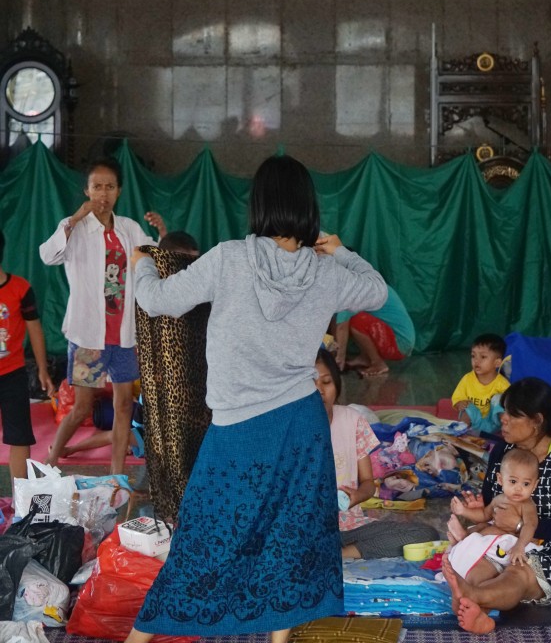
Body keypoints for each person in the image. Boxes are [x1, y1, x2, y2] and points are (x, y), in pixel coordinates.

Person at [123, 154, 388, 643]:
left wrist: (140, 267)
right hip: (299, 424)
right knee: (288, 539)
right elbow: (377, 292)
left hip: (237, 428)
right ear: (308, 207)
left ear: (259, 204)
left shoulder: (229, 258)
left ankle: (141, 636)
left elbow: (158, 300)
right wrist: (342, 250)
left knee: (202, 541)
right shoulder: (325, 271)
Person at [441, 377, 551, 634]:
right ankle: (477, 607)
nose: (503, 419)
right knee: (480, 567)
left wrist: (521, 526)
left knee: (517, 573)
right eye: (504, 411)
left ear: (537, 421)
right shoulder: (502, 452)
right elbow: (492, 505)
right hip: (502, 541)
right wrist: (476, 518)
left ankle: (470, 597)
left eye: (512, 414)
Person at [39, 156, 166, 474]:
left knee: (124, 405)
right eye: (97, 186)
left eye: (110, 187)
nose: (103, 193)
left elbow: (155, 258)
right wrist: (73, 220)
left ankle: (116, 475)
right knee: (82, 407)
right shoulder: (76, 228)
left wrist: (162, 232)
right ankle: (52, 459)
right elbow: (48, 255)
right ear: (87, 190)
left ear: (119, 191)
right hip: (89, 336)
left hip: (123, 336)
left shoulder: (129, 228)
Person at [315, 347, 439, 559]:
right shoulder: (288, 429)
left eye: (326, 382)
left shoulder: (351, 421)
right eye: (311, 384)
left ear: (336, 383)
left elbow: (367, 483)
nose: (320, 391)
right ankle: (323, 553)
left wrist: (356, 496)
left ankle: (340, 554)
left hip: (348, 528)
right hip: (303, 531)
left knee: (426, 534)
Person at [135, 229, 211, 521]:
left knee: (197, 452)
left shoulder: (203, 294)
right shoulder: (153, 289)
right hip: (162, 392)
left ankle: (193, 513)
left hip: (202, 390)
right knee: (166, 451)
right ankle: (171, 513)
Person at [0, 229, 55, 483]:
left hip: (13, 374)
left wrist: (43, 369)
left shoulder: (20, 288)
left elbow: (34, 329)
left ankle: (20, 501)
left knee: (19, 435)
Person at [446, 448, 539, 581]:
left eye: (526, 484)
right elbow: (485, 514)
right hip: (498, 534)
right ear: (500, 479)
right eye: (513, 481)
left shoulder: (527, 504)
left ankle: (464, 541)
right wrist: (464, 511)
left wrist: (520, 546)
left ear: (534, 485)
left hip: (514, 539)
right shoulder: (499, 499)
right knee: (481, 525)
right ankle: (465, 538)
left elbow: (531, 525)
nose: (519, 488)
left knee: (489, 529)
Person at [334, 284, 416, 376]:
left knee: (356, 321)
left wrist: (339, 360)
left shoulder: (351, 290)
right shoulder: (367, 283)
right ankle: (365, 358)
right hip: (401, 341)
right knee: (353, 319)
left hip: (399, 344)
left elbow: (341, 326)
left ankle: (378, 363)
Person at [451, 332, 509, 434]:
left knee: (500, 399)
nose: (476, 361)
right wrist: (460, 403)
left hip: (495, 423)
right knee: (467, 406)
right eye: (473, 356)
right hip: (473, 423)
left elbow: (511, 405)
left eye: (483, 357)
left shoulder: (502, 384)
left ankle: (507, 429)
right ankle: (460, 431)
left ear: (497, 363)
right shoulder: (467, 379)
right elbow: (457, 398)